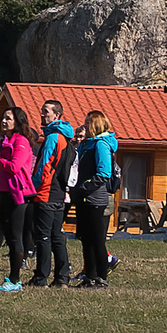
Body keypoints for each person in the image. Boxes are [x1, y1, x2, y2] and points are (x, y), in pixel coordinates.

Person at [72, 109, 121, 288]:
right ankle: (89, 275)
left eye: (88, 123)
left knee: (97, 239)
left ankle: (101, 277)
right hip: (83, 197)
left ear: (96, 125)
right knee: (86, 239)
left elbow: (104, 172)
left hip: (95, 198)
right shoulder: (87, 144)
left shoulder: (101, 144)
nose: (84, 125)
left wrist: (85, 187)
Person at [31, 101, 76, 287]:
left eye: (46, 111)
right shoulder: (66, 137)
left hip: (46, 192)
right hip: (59, 192)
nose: (42, 114)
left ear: (57, 115)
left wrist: (33, 186)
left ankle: (41, 278)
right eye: (42, 111)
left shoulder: (53, 137)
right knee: (57, 236)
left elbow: (44, 165)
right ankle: (62, 277)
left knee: (43, 237)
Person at [0, 106, 35, 291]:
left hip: (18, 194)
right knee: (8, 235)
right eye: (3, 117)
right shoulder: (4, 140)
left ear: (18, 122)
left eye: (8, 118)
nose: (4, 121)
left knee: (16, 237)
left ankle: (15, 279)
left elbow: (14, 166)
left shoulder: (21, 141)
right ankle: (12, 278)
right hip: (3, 192)